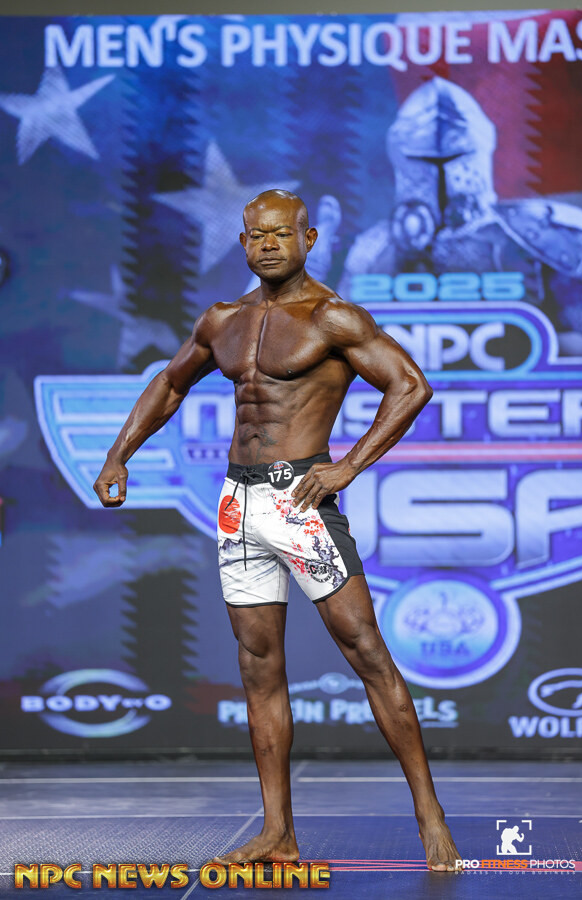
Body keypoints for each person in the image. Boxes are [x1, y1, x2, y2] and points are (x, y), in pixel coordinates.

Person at [93, 189, 460, 872]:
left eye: (281, 234)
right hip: (238, 503)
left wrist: (348, 465)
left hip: (301, 500)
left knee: (366, 651)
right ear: (243, 242)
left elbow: (410, 384)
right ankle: (278, 834)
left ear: (308, 238)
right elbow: (170, 384)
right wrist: (119, 454)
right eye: (256, 235)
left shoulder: (332, 317)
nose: (268, 244)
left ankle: (430, 817)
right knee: (258, 666)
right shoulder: (223, 320)